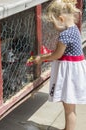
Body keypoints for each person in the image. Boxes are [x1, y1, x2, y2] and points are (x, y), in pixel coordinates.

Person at [34, 0, 86, 130]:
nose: (53, 27)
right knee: (70, 106)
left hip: (70, 73)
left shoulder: (65, 35)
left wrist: (41, 58)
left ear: (61, 19)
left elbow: (57, 55)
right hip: (74, 71)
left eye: (53, 23)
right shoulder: (74, 29)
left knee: (68, 107)